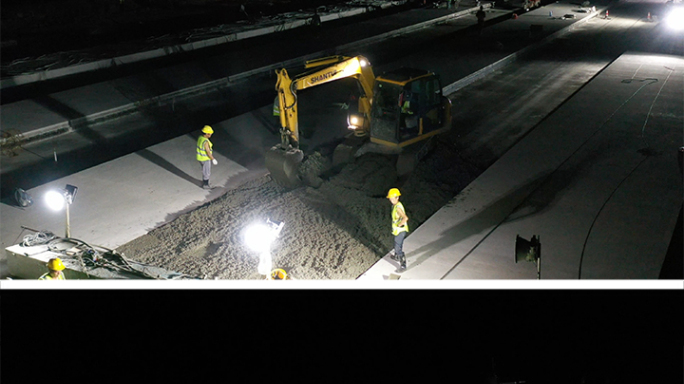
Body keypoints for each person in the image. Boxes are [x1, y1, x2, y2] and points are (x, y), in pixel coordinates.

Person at [387, 188, 409, 271]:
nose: (391, 200)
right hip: (398, 231)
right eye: (390, 198)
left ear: (397, 198)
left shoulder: (398, 208)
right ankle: (396, 257)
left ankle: (403, 264)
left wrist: (399, 225)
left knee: (398, 248)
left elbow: (405, 218)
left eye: (393, 198)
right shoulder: (396, 205)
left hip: (400, 231)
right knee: (396, 244)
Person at [197, 125, 218, 190]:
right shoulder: (206, 142)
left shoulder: (200, 138)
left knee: (204, 170)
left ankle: (205, 183)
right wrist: (213, 159)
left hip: (200, 157)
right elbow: (208, 152)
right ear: (206, 133)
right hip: (205, 159)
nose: (210, 135)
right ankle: (205, 185)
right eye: (210, 134)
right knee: (207, 172)